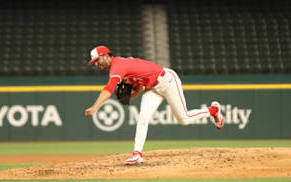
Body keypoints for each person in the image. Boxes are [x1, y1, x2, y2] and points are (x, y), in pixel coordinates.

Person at [84, 45, 225, 165]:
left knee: (184, 119)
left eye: (97, 60)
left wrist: (94, 107)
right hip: (152, 88)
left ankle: (213, 110)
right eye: (94, 62)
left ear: (106, 55)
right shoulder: (120, 67)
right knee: (143, 118)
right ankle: (137, 154)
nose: (96, 64)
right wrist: (129, 97)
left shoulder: (118, 66)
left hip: (167, 80)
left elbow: (108, 89)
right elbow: (138, 88)